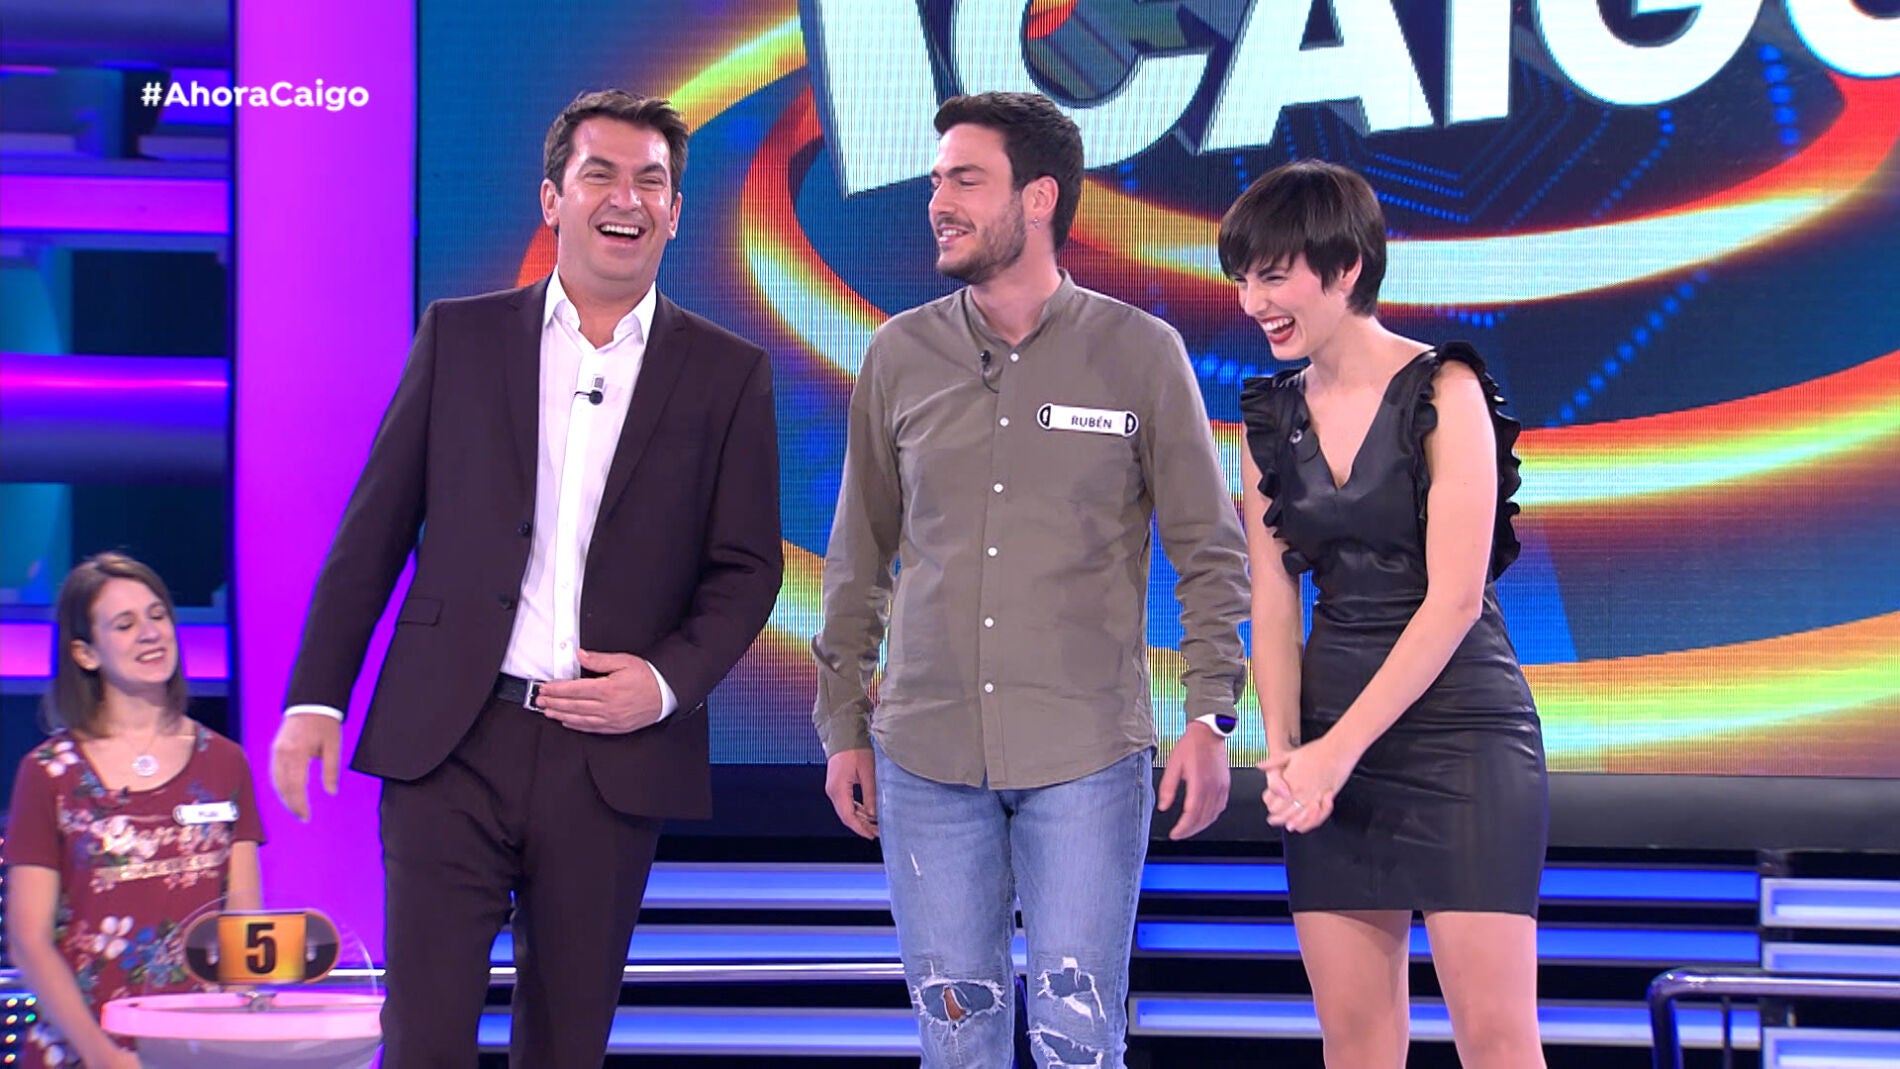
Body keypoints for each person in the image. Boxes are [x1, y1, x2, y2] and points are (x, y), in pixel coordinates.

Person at [268, 89, 783, 1066]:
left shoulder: (727, 373)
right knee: (422, 1038)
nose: (625, 198)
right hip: (451, 741)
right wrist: (317, 697)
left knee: (564, 1044)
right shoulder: (461, 337)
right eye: (600, 174)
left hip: (609, 757)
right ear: (552, 197)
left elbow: (749, 567)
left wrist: (663, 683)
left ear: (676, 211)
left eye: (650, 182)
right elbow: (375, 528)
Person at [812, 91, 1249, 1069]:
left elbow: (1208, 550)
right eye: (937, 181)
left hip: (1087, 757)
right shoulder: (898, 355)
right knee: (955, 1044)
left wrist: (1212, 714)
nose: (938, 202)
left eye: (966, 180)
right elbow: (858, 557)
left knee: (1077, 1042)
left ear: (1039, 198)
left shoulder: (1141, 354)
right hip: (923, 757)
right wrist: (841, 723)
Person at [1223, 159, 1548, 1068]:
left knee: (1497, 1038)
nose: (1254, 302)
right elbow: (1273, 599)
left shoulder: (1445, 389)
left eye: (1273, 276)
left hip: (1460, 733)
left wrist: (1338, 749)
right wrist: (1287, 749)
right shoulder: (1268, 417)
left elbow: (1455, 599)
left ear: (1346, 267)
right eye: (1242, 279)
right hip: (1330, 736)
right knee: (1357, 1042)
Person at [5, 552, 265, 1068]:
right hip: (83, 1049)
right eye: (124, 625)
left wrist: (243, 1038)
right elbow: (28, 938)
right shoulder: (49, 773)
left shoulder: (225, 762)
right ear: (85, 653)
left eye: (157, 615)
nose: (150, 633)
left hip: (199, 1050)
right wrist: (101, 1054)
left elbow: (243, 918)